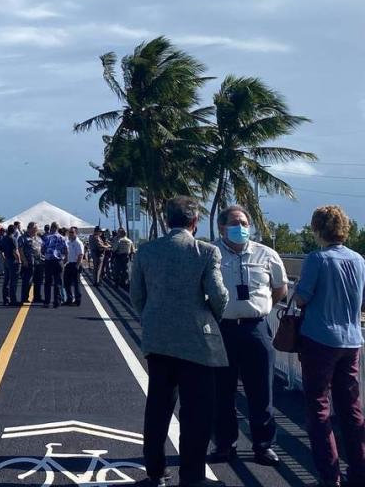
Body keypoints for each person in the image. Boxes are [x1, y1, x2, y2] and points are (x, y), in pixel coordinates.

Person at [130, 196, 229, 487]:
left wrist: (152, 319)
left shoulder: (146, 251)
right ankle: (192, 477)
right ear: (194, 222)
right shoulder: (206, 252)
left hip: (158, 340)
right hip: (197, 343)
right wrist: (211, 318)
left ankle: (156, 473)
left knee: (158, 409)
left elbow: (137, 295)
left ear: (165, 220)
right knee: (196, 413)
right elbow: (219, 296)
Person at [210, 205, 288, 466]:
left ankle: (263, 446)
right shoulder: (211, 253)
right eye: (235, 223)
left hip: (256, 329)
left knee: (261, 392)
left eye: (244, 223)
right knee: (222, 392)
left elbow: (280, 289)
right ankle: (224, 444)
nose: (241, 227)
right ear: (222, 227)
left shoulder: (267, 254)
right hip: (223, 329)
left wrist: (258, 309)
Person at [295, 205, 365, 487]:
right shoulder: (359, 260)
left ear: (317, 228)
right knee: (351, 409)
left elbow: (301, 298)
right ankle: (359, 473)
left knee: (319, 408)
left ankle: (329, 477)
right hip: (352, 340)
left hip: (320, 340)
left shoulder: (317, 259)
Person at [41, 223, 67, 308]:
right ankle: (57, 302)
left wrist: (46, 254)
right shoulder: (62, 238)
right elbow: (66, 249)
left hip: (49, 261)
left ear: (51, 228)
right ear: (58, 228)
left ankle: (47, 302)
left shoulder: (47, 238)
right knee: (58, 282)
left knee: (48, 282)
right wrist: (64, 260)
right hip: (58, 261)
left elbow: (42, 249)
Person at [18, 222, 44, 303]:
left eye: (36, 228)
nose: (36, 230)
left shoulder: (38, 238)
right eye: (34, 228)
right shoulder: (23, 238)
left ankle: (37, 297)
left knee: (38, 281)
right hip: (29, 262)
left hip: (39, 262)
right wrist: (24, 260)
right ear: (29, 228)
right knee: (28, 281)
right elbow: (20, 250)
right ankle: (25, 297)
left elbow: (42, 248)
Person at [0, 224, 22, 306]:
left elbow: (0, 250)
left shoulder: (4, 238)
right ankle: (13, 300)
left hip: (7, 260)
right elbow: (15, 251)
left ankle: (5, 299)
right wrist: (19, 260)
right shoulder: (13, 239)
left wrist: (3, 258)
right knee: (13, 281)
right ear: (14, 230)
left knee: (6, 281)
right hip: (13, 260)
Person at [64, 226, 85, 306]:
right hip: (69, 264)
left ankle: (77, 300)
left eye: (72, 232)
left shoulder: (78, 243)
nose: (70, 234)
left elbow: (80, 255)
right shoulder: (69, 242)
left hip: (75, 264)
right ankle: (69, 299)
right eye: (69, 232)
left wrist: (77, 265)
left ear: (76, 233)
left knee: (76, 283)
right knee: (66, 283)